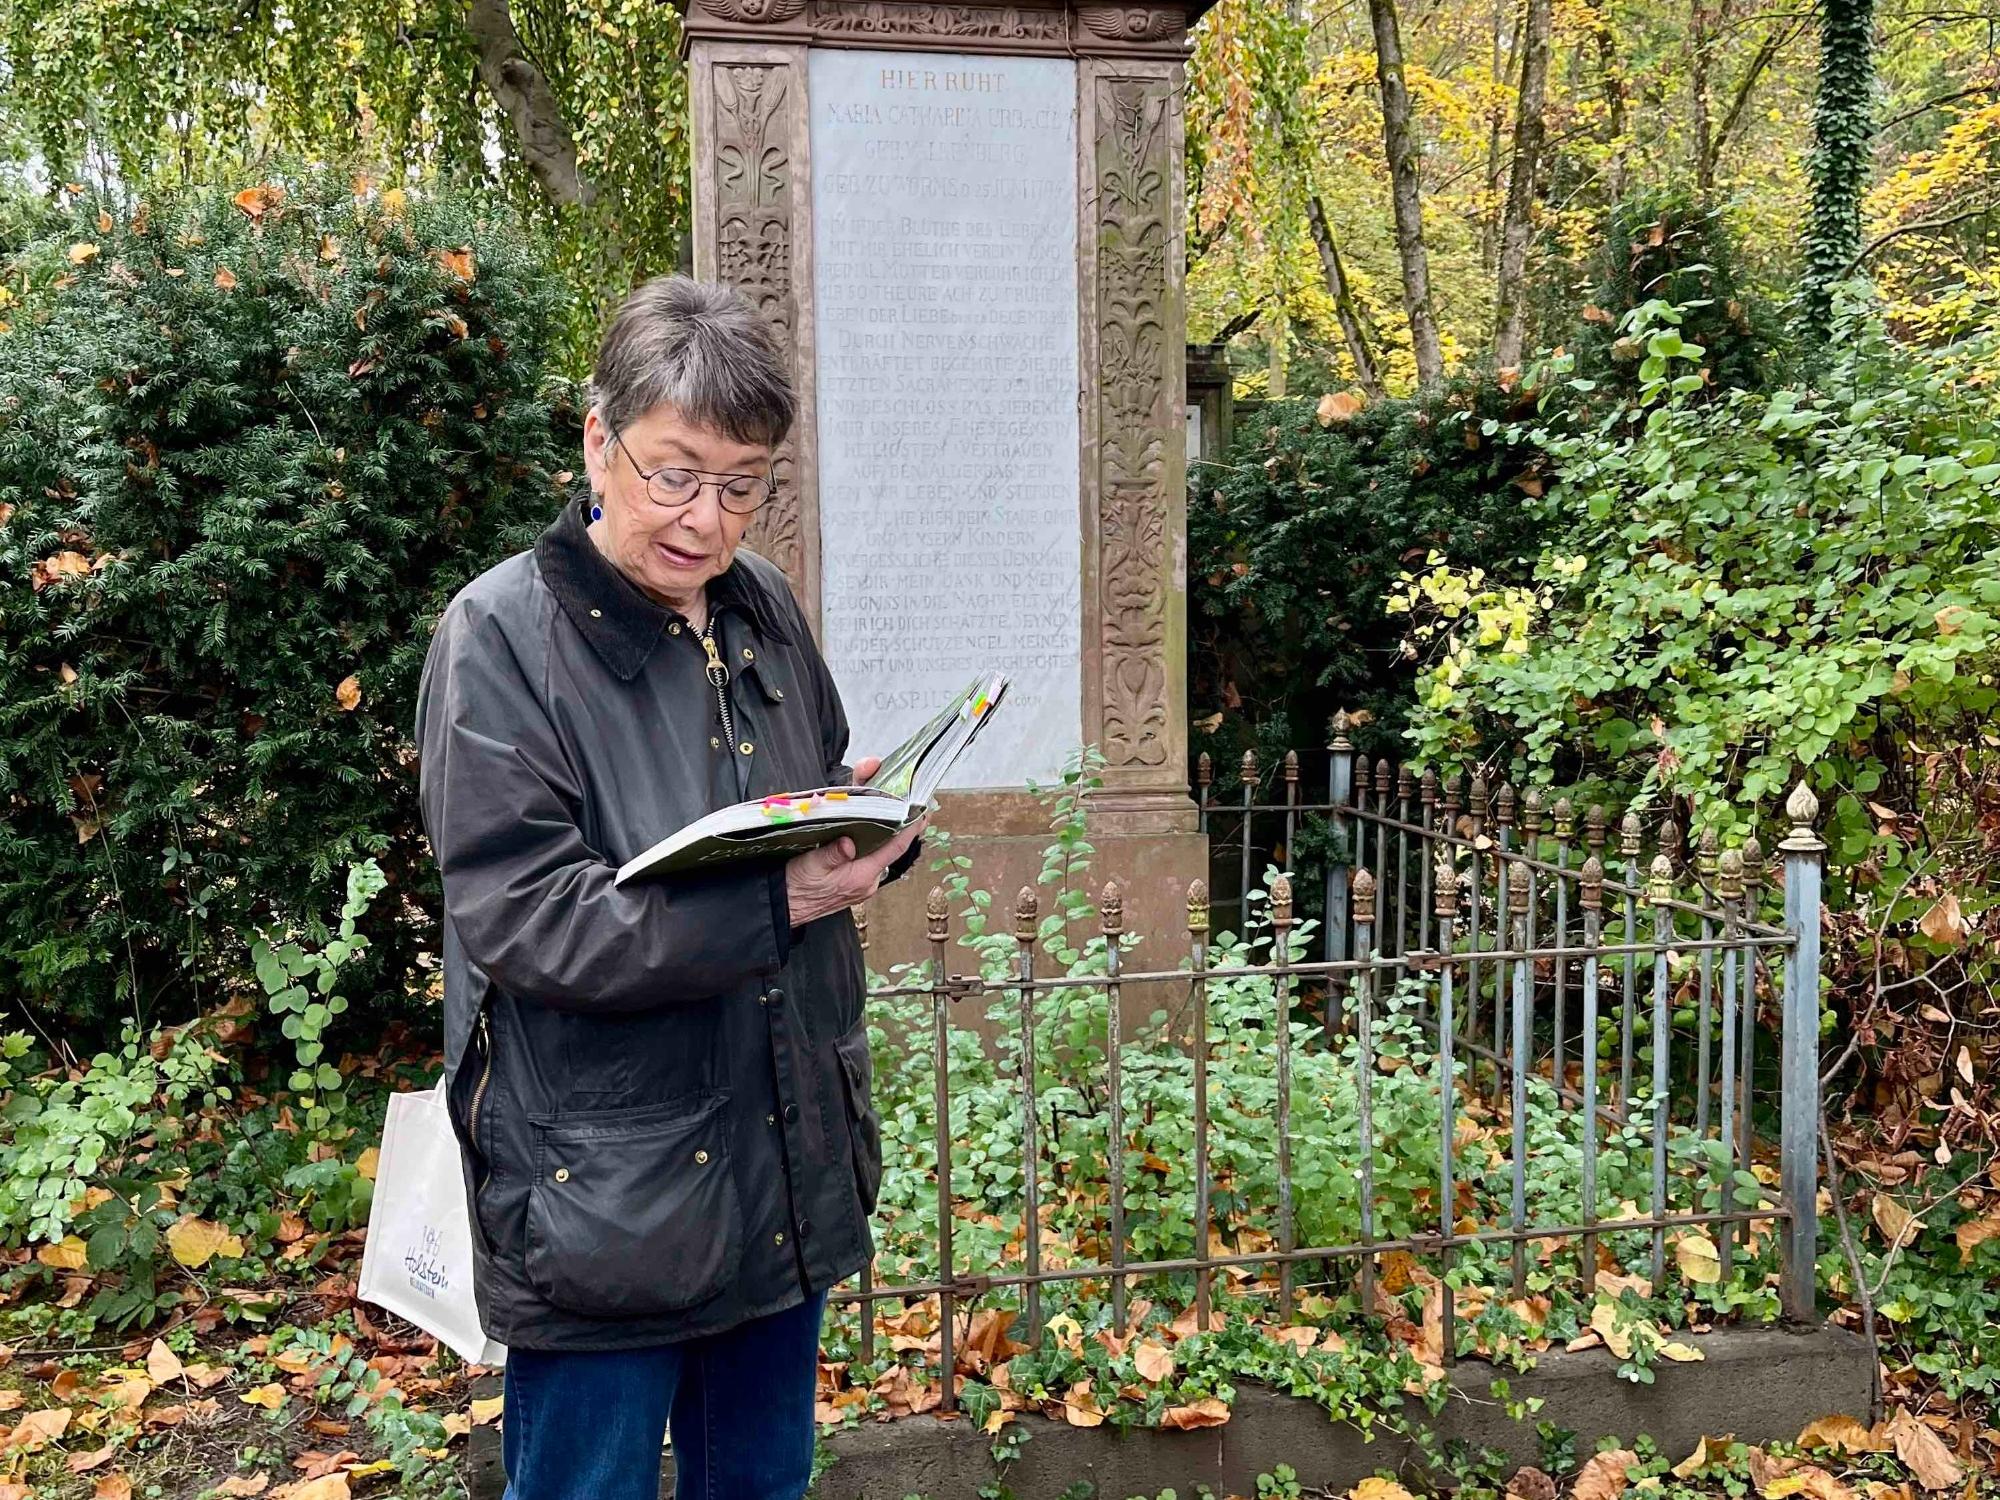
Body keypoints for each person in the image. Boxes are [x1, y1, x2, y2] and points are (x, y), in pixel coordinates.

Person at [415, 276, 922, 1500]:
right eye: (672, 474)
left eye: (741, 484)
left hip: (776, 1149)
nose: (704, 519)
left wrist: (863, 823)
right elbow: (530, 922)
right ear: (599, 439)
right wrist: (783, 902)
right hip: (604, 1194)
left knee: (760, 1487)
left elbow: (800, 799)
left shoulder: (762, 610)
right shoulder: (498, 639)